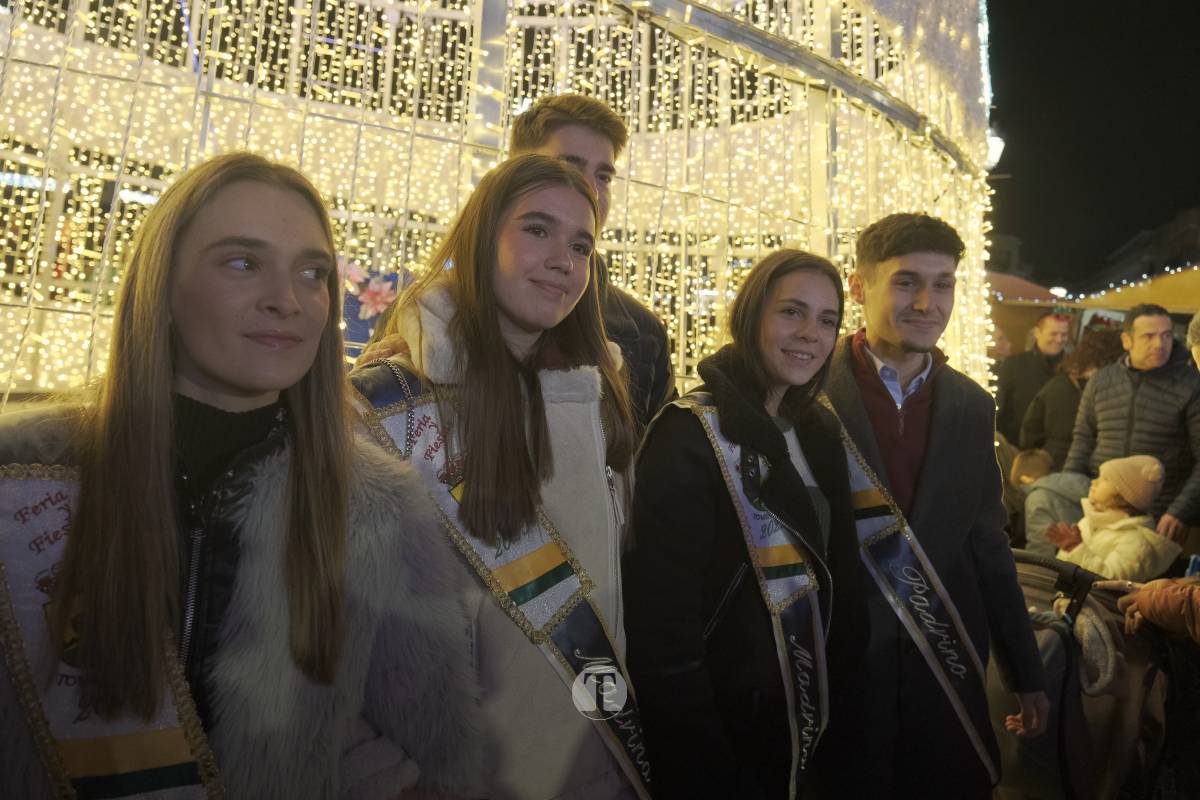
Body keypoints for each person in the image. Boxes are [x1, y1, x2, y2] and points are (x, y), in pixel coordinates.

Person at [0, 153, 482, 798]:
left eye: (312, 272)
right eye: (243, 262)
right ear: (162, 287)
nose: (287, 301)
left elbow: (432, 758)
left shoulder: (380, 511)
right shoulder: (23, 481)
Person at [350, 154, 649, 799]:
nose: (563, 259)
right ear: (480, 240)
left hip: (594, 756)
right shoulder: (384, 407)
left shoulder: (599, 398)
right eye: (536, 230)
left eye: (581, 244)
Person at [623, 250, 865, 798]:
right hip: (730, 736)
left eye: (827, 320)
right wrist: (703, 760)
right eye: (792, 313)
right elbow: (663, 632)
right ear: (751, 315)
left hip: (811, 719)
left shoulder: (821, 431)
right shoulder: (688, 437)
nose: (811, 334)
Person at [821, 212, 1048, 797]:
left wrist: (1025, 671)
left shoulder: (972, 405)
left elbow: (987, 542)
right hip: (838, 665)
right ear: (859, 287)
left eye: (942, 283)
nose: (927, 302)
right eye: (906, 282)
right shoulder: (809, 390)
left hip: (943, 659)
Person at [364, 93, 674, 427]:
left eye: (604, 176)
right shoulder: (426, 313)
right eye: (568, 166)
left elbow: (640, 469)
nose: (591, 191)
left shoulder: (642, 334)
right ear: (515, 170)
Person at [1064, 303, 1200, 541]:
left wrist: (1180, 511)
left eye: (1166, 335)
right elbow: (1082, 442)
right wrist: (1068, 492)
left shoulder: (1190, 384)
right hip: (1101, 509)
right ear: (1127, 340)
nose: (1159, 344)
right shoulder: (1101, 381)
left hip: (1159, 513)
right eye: (1149, 336)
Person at [1045, 456, 1181, 581]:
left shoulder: (1136, 543)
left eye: (1104, 479)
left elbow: (1110, 581)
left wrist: (1074, 547)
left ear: (1124, 497)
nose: (1094, 482)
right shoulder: (1088, 522)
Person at [1020, 327, 1124, 470]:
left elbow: (1030, 431)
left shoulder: (1058, 383)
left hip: (1052, 465)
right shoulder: (1113, 389)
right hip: (1094, 468)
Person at [995, 311, 1071, 443]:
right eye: (1053, 334)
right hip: (1018, 446)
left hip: (1059, 449)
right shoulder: (1014, 365)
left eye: (1064, 334)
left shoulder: (1073, 367)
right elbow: (1001, 406)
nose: (1059, 339)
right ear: (1037, 333)